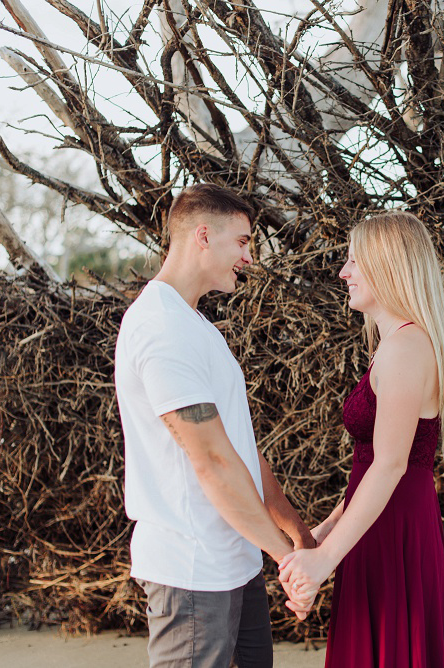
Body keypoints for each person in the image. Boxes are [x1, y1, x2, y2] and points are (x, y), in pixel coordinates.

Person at [114, 183, 316, 668]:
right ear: (203, 235)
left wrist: (296, 533)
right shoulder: (161, 329)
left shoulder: (195, 326)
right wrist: (288, 563)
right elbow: (211, 461)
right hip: (191, 573)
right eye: (243, 242)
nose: (248, 258)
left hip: (235, 565)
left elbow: (238, 447)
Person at [278, 212, 444, 667]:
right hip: (381, 522)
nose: (344, 272)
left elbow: (390, 467)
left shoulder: (406, 347)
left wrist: (325, 562)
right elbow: (373, 465)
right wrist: (324, 534)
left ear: (390, 265)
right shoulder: (401, 345)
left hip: (393, 530)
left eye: (354, 260)